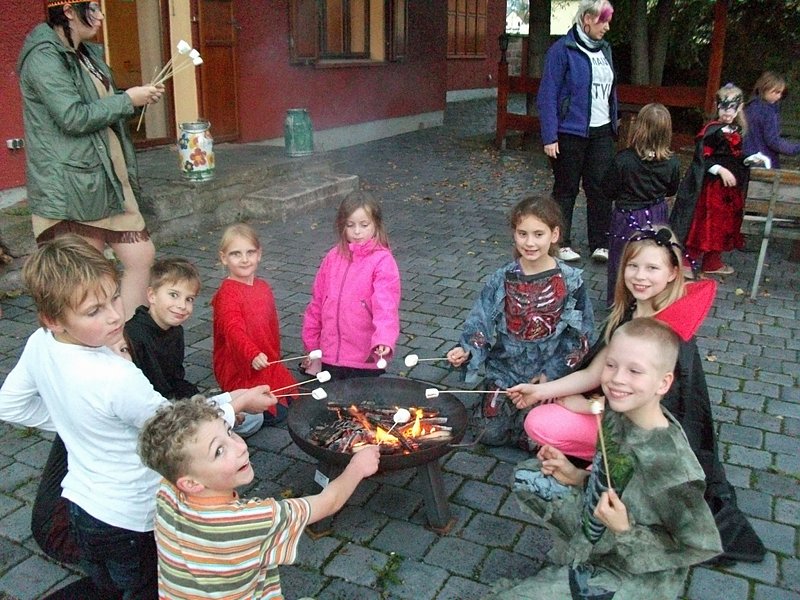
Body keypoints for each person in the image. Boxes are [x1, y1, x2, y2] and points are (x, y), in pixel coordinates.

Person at [0, 234, 276, 598]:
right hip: (131, 520)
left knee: (108, 587)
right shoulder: (116, 374)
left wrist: (79, 420)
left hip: (81, 512)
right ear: (53, 318)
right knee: (143, 588)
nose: (115, 315)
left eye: (113, 296)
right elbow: (179, 429)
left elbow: (11, 404)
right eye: (93, 311)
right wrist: (235, 401)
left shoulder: (40, 343)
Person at [510, 226, 765, 564]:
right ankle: (596, 463)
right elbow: (592, 373)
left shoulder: (672, 332)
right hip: (613, 414)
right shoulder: (627, 313)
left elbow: (659, 408)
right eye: (632, 266)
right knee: (539, 418)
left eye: (652, 268)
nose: (639, 277)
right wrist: (539, 391)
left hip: (641, 432)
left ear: (673, 272)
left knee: (550, 426)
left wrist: (590, 406)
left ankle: (611, 471)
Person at [489, 318, 722, 599]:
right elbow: (617, 478)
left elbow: (698, 546)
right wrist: (576, 476)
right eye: (611, 365)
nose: (617, 378)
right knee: (529, 477)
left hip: (635, 572)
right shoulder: (615, 414)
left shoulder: (671, 463)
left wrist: (625, 530)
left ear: (664, 383)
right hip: (600, 533)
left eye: (635, 371)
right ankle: (577, 556)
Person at [137, 396, 380, 599]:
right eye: (219, 451)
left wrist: (242, 399)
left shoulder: (168, 490)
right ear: (191, 482)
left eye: (230, 432)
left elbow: (189, 438)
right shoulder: (252, 520)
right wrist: (357, 467)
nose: (240, 447)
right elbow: (329, 501)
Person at [17, 0, 165, 319]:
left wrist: (135, 99)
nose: (100, 16)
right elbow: (72, 116)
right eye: (93, 9)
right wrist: (127, 100)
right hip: (75, 182)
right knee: (90, 277)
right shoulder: (44, 56)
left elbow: (101, 105)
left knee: (141, 256)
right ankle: (100, 348)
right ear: (69, 11)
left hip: (106, 175)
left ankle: (124, 338)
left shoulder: (85, 53)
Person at [446, 196, 595, 448]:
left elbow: (581, 336)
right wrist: (467, 350)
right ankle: (495, 400)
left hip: (544, 377)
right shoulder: (501, 278)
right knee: (489, 434)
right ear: (514, 234)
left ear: (555, 234)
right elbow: (479, 322)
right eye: (522, 233)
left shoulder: (571, 282)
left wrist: (553, 374)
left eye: (538, 234)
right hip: (505, 371)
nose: (530, 242)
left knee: (534, 437)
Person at [537, 0, 617, 263]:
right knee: (566, 189)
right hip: (569, 132)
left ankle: (600, 243)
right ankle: (561, 242)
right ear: (587, 19)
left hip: (601, 132)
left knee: (600, 188)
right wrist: (550, 135)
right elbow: (547, 94)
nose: (607, 27)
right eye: (602, 20)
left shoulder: (605, 49)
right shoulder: (562, 50)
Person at [301, 192, 401, 379]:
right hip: (331, 355)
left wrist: (384, 338)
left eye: (364, 225)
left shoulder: (382, 261)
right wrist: (312, 345)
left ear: (376, 225)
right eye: (350, 225)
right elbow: (317, 304)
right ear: (342, 226)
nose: (357, 231)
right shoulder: (332, 257)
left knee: (361, 406)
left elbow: (386, 305)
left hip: (363, 357)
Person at [212, 223, 298, 431]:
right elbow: (233, 331)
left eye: (250, 252)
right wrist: (251, 354)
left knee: (296, 399)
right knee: (275, 414)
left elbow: (271, 329)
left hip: (265, 360)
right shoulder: (228, 294)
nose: (244, 259)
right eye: (236, 254)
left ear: (259, 254)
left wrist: (272, 356)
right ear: (224, 258)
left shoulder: (263, 287)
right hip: (240, 363)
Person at [670, 83, 752, 276]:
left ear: (740, 108)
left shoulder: (736, 130)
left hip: (729, 191)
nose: (727, 112)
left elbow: (736, 155)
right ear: (718, 107)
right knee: (704, 224)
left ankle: (712, 261)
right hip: (711, 189)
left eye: (732, 107)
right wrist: (720, 170)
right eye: (724, 107)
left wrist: (747, 160)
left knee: (724, 224)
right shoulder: (711, 131)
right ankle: (687, 261)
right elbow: (702, 158)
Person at [602, 103, 680, 303]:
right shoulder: (672, 162)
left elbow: (607, 189)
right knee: (654, 259)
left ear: (640, 128)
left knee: (624, 260)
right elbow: (672, 189)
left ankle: (620, 302)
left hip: (628, 217)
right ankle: (650, 299)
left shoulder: (623, 160)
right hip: (657, 214)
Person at [124, 257, 201, 400]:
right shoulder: (133, 335)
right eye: (174, 295)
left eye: (189, 299)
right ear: (152, 295)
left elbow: (175, 378)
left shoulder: (176, 331)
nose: (182, 305)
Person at [744, 71, 800, 169]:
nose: (779, 96)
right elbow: (773, 140)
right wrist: (795, 148)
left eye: (781, 93)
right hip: (764, 162)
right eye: (776, 92)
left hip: (747, 159)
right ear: (765, 88)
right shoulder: (767, 111)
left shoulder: (749, 106)